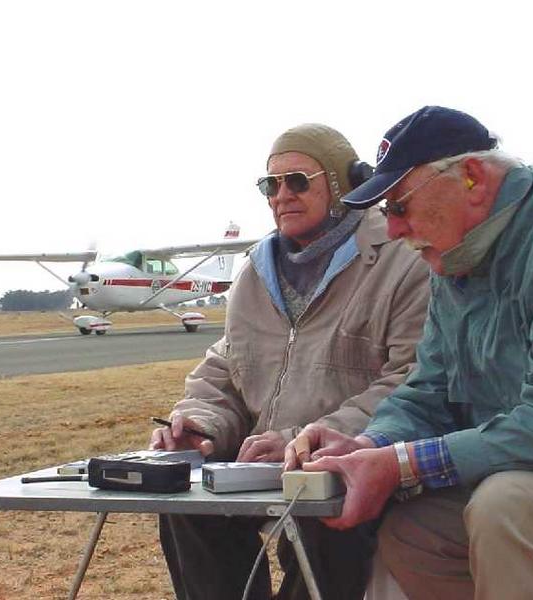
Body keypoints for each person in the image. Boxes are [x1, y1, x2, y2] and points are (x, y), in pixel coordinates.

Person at [284, 106, 533, 600]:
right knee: (416, 532)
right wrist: (371, 444)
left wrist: (403, 464)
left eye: (398, 206)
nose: (392, 229)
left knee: (510, 508)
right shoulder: (458, 256)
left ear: (472, 179)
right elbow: (430, 390)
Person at [149, 123, 431, 600]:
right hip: (258, 470)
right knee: (184, 505)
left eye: (298, 180)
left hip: (352, 463)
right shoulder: (255, 271)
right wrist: (200, 424)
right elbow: (230, 365)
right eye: (270, 184)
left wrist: (300, 441)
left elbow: (412, 379)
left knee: (327, 513)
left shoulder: (402, 260)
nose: (281, 195)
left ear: (343, 185)